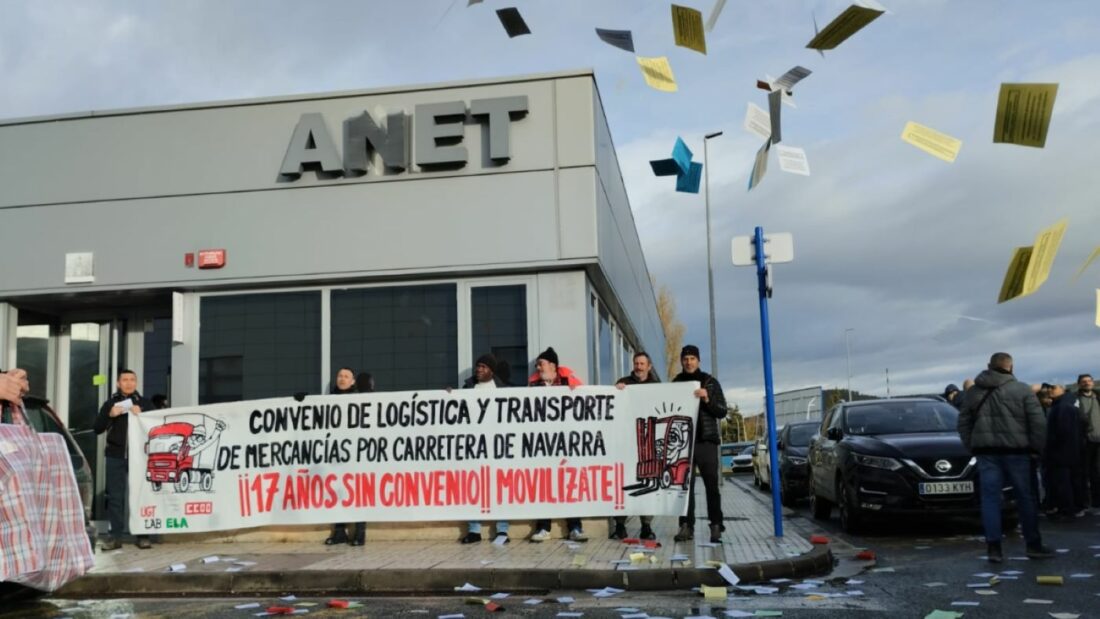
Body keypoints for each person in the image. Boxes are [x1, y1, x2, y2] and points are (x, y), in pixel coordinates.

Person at [957, 352, 1053, 563]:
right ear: (1011, 367)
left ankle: (994, 548)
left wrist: (972, 446)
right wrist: (1036, 449)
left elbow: (963, 422)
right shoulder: (1022, 390)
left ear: (989, 365)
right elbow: (1038, 423)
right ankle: (1033, 545)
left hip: (986, 452)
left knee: (990, 499)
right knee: (1025, 498)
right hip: (1018, 452)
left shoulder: (974, 392)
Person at [527, 347, 587, 542]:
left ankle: (575, 527)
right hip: (542, 444)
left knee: (569, 484)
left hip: (566, 443)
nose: (538, 367)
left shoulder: (570, 382)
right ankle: (543, 528)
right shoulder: (533, 385)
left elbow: (587, 401)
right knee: (544, 485)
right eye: (537, 365)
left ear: (553, 365)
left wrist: (576, 392)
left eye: (541, 364)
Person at [672, 345, 728, 544]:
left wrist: (707, 398)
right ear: (681, 361)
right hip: (684, 443)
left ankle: (716, 525)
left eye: (692, 358)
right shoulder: (676, 383)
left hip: (706, 442)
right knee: (684, 488)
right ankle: (686, 525)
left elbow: (722, 411)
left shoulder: (710, 382)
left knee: (711, 485)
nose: (689, 362)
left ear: (698, 361)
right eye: (685, 359)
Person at [93, 369, 154, 550]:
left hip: (140, 457)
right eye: (125, 380)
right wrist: (110, 415)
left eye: (132, 380)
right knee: (115, 497)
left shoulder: (145, 403)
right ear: (118, 383)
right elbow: (97, 428)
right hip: (115, 456)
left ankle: (143, 536)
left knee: (141, 495)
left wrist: (143, 413)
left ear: (136, 383)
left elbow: (157, 426)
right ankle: (115, 537)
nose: (129, 383)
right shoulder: (110, 403)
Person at [460, 354, 510, 544]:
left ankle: (502, 530)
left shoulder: (503, 389)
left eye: (483, 366)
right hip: (474, 446)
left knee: (500, 488)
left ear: (491, 370)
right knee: (473, 488)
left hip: (498, 446)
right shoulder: (468, 388)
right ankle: (474, 530)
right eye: (477, 366)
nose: (478, 369)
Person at [611, 352, 659, 541]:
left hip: (648, 441)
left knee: (647, 482)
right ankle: (620, 525)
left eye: (642, 363)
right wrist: (616, 391)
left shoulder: (657, 386)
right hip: (626, 441)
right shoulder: (623, 383)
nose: (638, 366)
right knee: (623, 482)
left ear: (649, 366)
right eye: (636, 363)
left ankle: (646, 526)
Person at [325, 368, 367, 547]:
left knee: (357, 492)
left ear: (353, 382)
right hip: (336, 455)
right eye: (339, 376)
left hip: (356, 454)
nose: (342, 379)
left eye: (346, 376)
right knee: (337, 492)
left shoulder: (360, 400)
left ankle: (360, 533)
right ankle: (339, 532)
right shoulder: (328, 400)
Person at [1044, 385, 1084, 520]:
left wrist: (1051, 447)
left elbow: (1062, 432)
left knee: (1064, 482)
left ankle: (1067, 510)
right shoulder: (1068, 404)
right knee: (1072, 481)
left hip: (1062, 452)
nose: (1050, 390)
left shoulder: (1062, 407)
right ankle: (1074, 507)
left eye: (1053, 387)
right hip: (1072, 451)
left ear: (1063, 389)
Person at [1077, 374, 1100, 513]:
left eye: (1089, 381)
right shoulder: (1075, 399)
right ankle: (1085, 502)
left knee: (1097, 472)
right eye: (1084, 381)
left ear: (1093, 382)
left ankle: (1097, 502)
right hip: (1085, 441)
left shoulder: (1098, 396)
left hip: (1099, 440)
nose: (1087, 383)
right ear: (1079, 384)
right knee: (1084, 473)